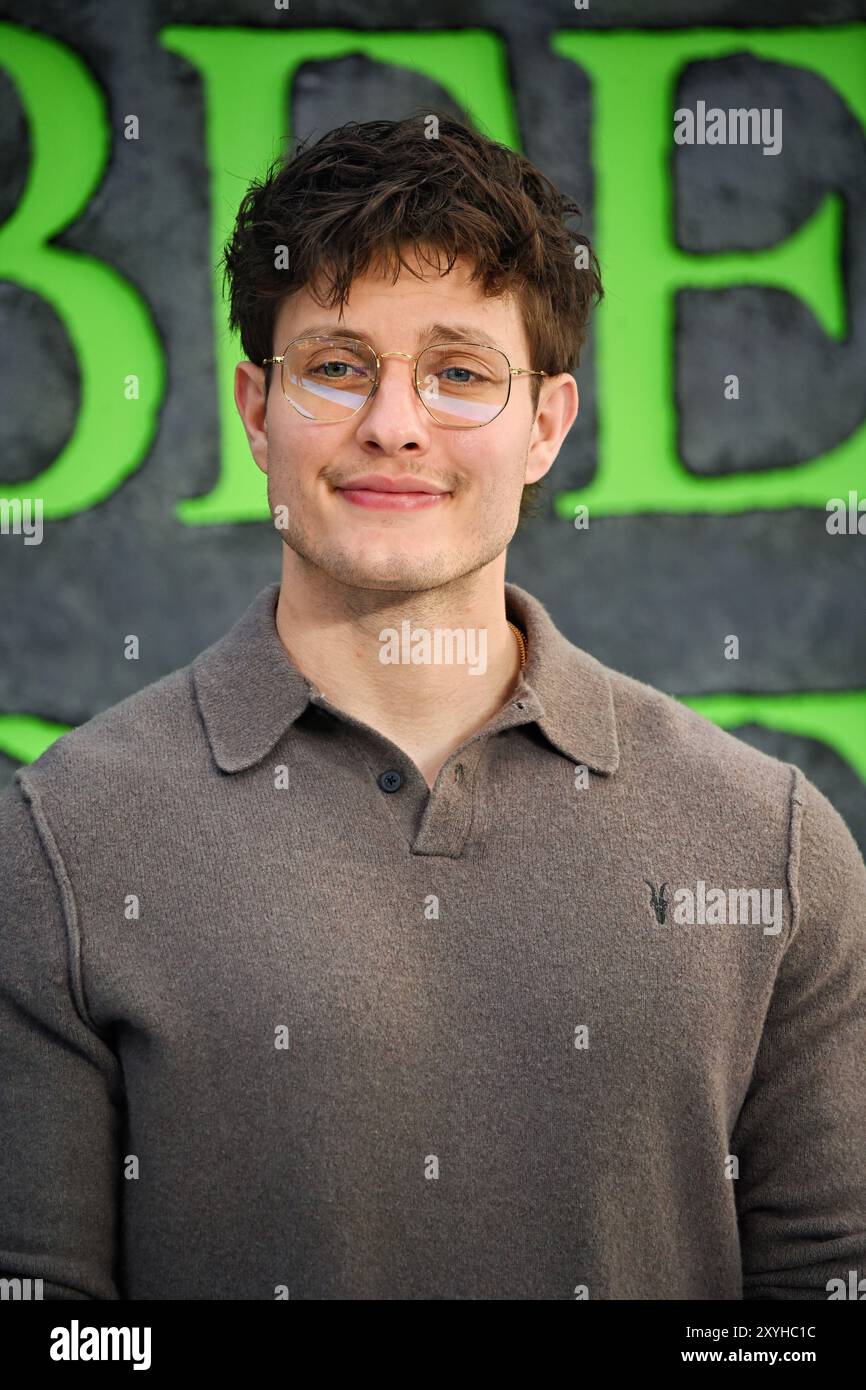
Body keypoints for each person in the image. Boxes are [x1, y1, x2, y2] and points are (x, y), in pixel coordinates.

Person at [1, 113, 863, 1301]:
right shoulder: (61, 839)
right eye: (338, 367)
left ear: (545, 426)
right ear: (256, 411)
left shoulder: (767, 839)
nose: (393, 423)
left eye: (458, 372)